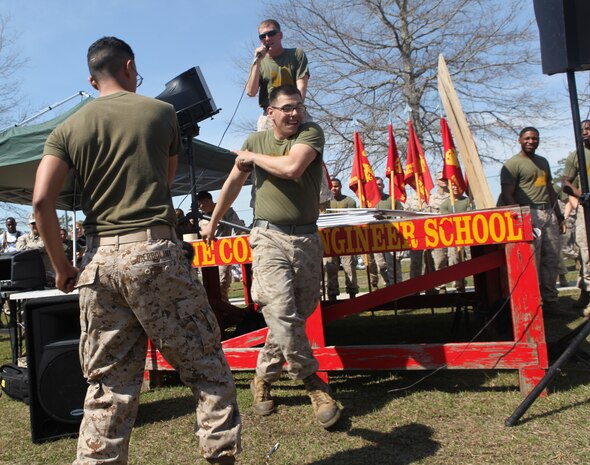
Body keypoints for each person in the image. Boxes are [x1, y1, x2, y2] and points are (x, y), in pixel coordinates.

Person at [32, 36, 240, 465]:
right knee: (207, 368)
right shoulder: (162, 113)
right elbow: (163, 182)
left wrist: (61, 267)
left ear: (92, 79)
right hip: (153, 252)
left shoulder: (67, 128)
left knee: (109, 389)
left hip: (97, 263)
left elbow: (40, 202)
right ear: (130, 66)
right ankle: (220, 457)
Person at [201, 84, 342, 429]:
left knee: (297, 314)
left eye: (298, 106)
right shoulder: (254, 141)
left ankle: (262, 376)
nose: (295, 113)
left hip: (307, 237)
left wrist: (252, 159)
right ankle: (313, 384)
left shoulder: (311, 133)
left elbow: (292, 168)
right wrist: (214, 222)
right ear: (270, 112)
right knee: (280, 311)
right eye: (287, 108)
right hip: (268, 236)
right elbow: (234, 182)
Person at [501, 126, 565, 314]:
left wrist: (559, 216)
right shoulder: (512, 164)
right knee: (532, 261)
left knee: (551, 258)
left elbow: (550, 190)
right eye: (527, 138)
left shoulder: (543, 162)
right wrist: (521, 220)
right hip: (529, 214)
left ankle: (551, 302)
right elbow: (507, 195)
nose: (531, 142)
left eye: (535, 139)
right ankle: (534, 306)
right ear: (520, 140)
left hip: (549, 214)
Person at [246, 19, 310, 132]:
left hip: (295, 109)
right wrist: (256, 62)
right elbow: (251, 92)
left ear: (280, 35)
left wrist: (295, 110)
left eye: (271, 34)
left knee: (309, 142)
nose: (267, 38)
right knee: (264, 148)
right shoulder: (259, 63)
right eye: (262, 36)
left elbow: (302, 86)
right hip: (270, 115)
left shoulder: (296, 54)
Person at [196, 190, 246, 302]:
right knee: (208, 287)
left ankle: (225, 311)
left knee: (221, 285)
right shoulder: (200, 216)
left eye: (200, 204)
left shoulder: (225, 211)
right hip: (206, 256)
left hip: (222, 253)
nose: (199, 207)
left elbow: (239, 228)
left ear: (207, 201)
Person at [562, 119, 590, 310]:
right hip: (585, 210)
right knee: (586, 252)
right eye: (582, 129)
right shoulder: (576, 156)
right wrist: (581, 195)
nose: (585, 131)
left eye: (588, 128)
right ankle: (588, 293)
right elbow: (565, 182)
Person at [323, 177, 359, 300]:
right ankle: (332, 296)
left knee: (350, 269)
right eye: (332, 186)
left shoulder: (349, 201)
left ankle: (352, 294)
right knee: (331, 270)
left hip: (346, 241)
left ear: (341, 187)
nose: (334, 188)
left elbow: (353, 220)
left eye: (336, 186)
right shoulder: (324, 203)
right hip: (329, 242)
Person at [367, 177, 403, 286]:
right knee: (381, 265)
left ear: (383, 186)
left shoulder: (391, 200)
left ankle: (396, 286)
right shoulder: (368, 201)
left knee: (393, 264)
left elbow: (402, 215)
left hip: (390, 237)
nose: (378, 186)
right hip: (376, 238)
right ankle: (387, 284)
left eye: (379, 184)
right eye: (375, 184)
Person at [439, 185, 473, 292]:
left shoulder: (468, 201)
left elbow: (470, 215)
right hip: (453, 238)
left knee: (472, 260)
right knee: (454, 260)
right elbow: (445, 220)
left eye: (457, 185)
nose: (455, 188)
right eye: (452, 186)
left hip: (467, 236)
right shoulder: (446, 204)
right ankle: (459, 285)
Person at [16, 213, 54, 283]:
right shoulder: (22, 238)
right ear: (29, 225)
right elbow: (20, 251)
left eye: (38, 222)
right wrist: (36, 246)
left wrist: (27, 246)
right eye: (33, 223)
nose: (36, 225)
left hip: (47, 276)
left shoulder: (48, 237)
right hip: (29, 276)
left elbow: (42, 247)